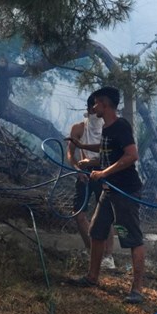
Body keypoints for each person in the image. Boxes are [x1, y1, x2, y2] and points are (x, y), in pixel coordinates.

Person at [66, 86, 146, 304]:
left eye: (97, 103)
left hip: (126, 192)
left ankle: (137, 289)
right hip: (109, 191)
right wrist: (88, 156)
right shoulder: (108, 129)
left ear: (106, 104)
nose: (93, 107)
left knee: (132, 237)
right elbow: (106, 151)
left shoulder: (120, 126)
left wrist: (103, 172)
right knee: (97, 231)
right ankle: (92, 277)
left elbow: (131, 156)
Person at [65, 94, 115, 270]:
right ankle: (92, 251)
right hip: (85, 174)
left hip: (105, 172)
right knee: (79, 214)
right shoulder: (78, 128)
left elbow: (111, 153)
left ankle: (108, 257)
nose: (95, 111)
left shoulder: (110, 129)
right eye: (92, 108)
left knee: (106, 217)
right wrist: (77, 170)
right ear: (88, 109)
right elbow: (70, 153)